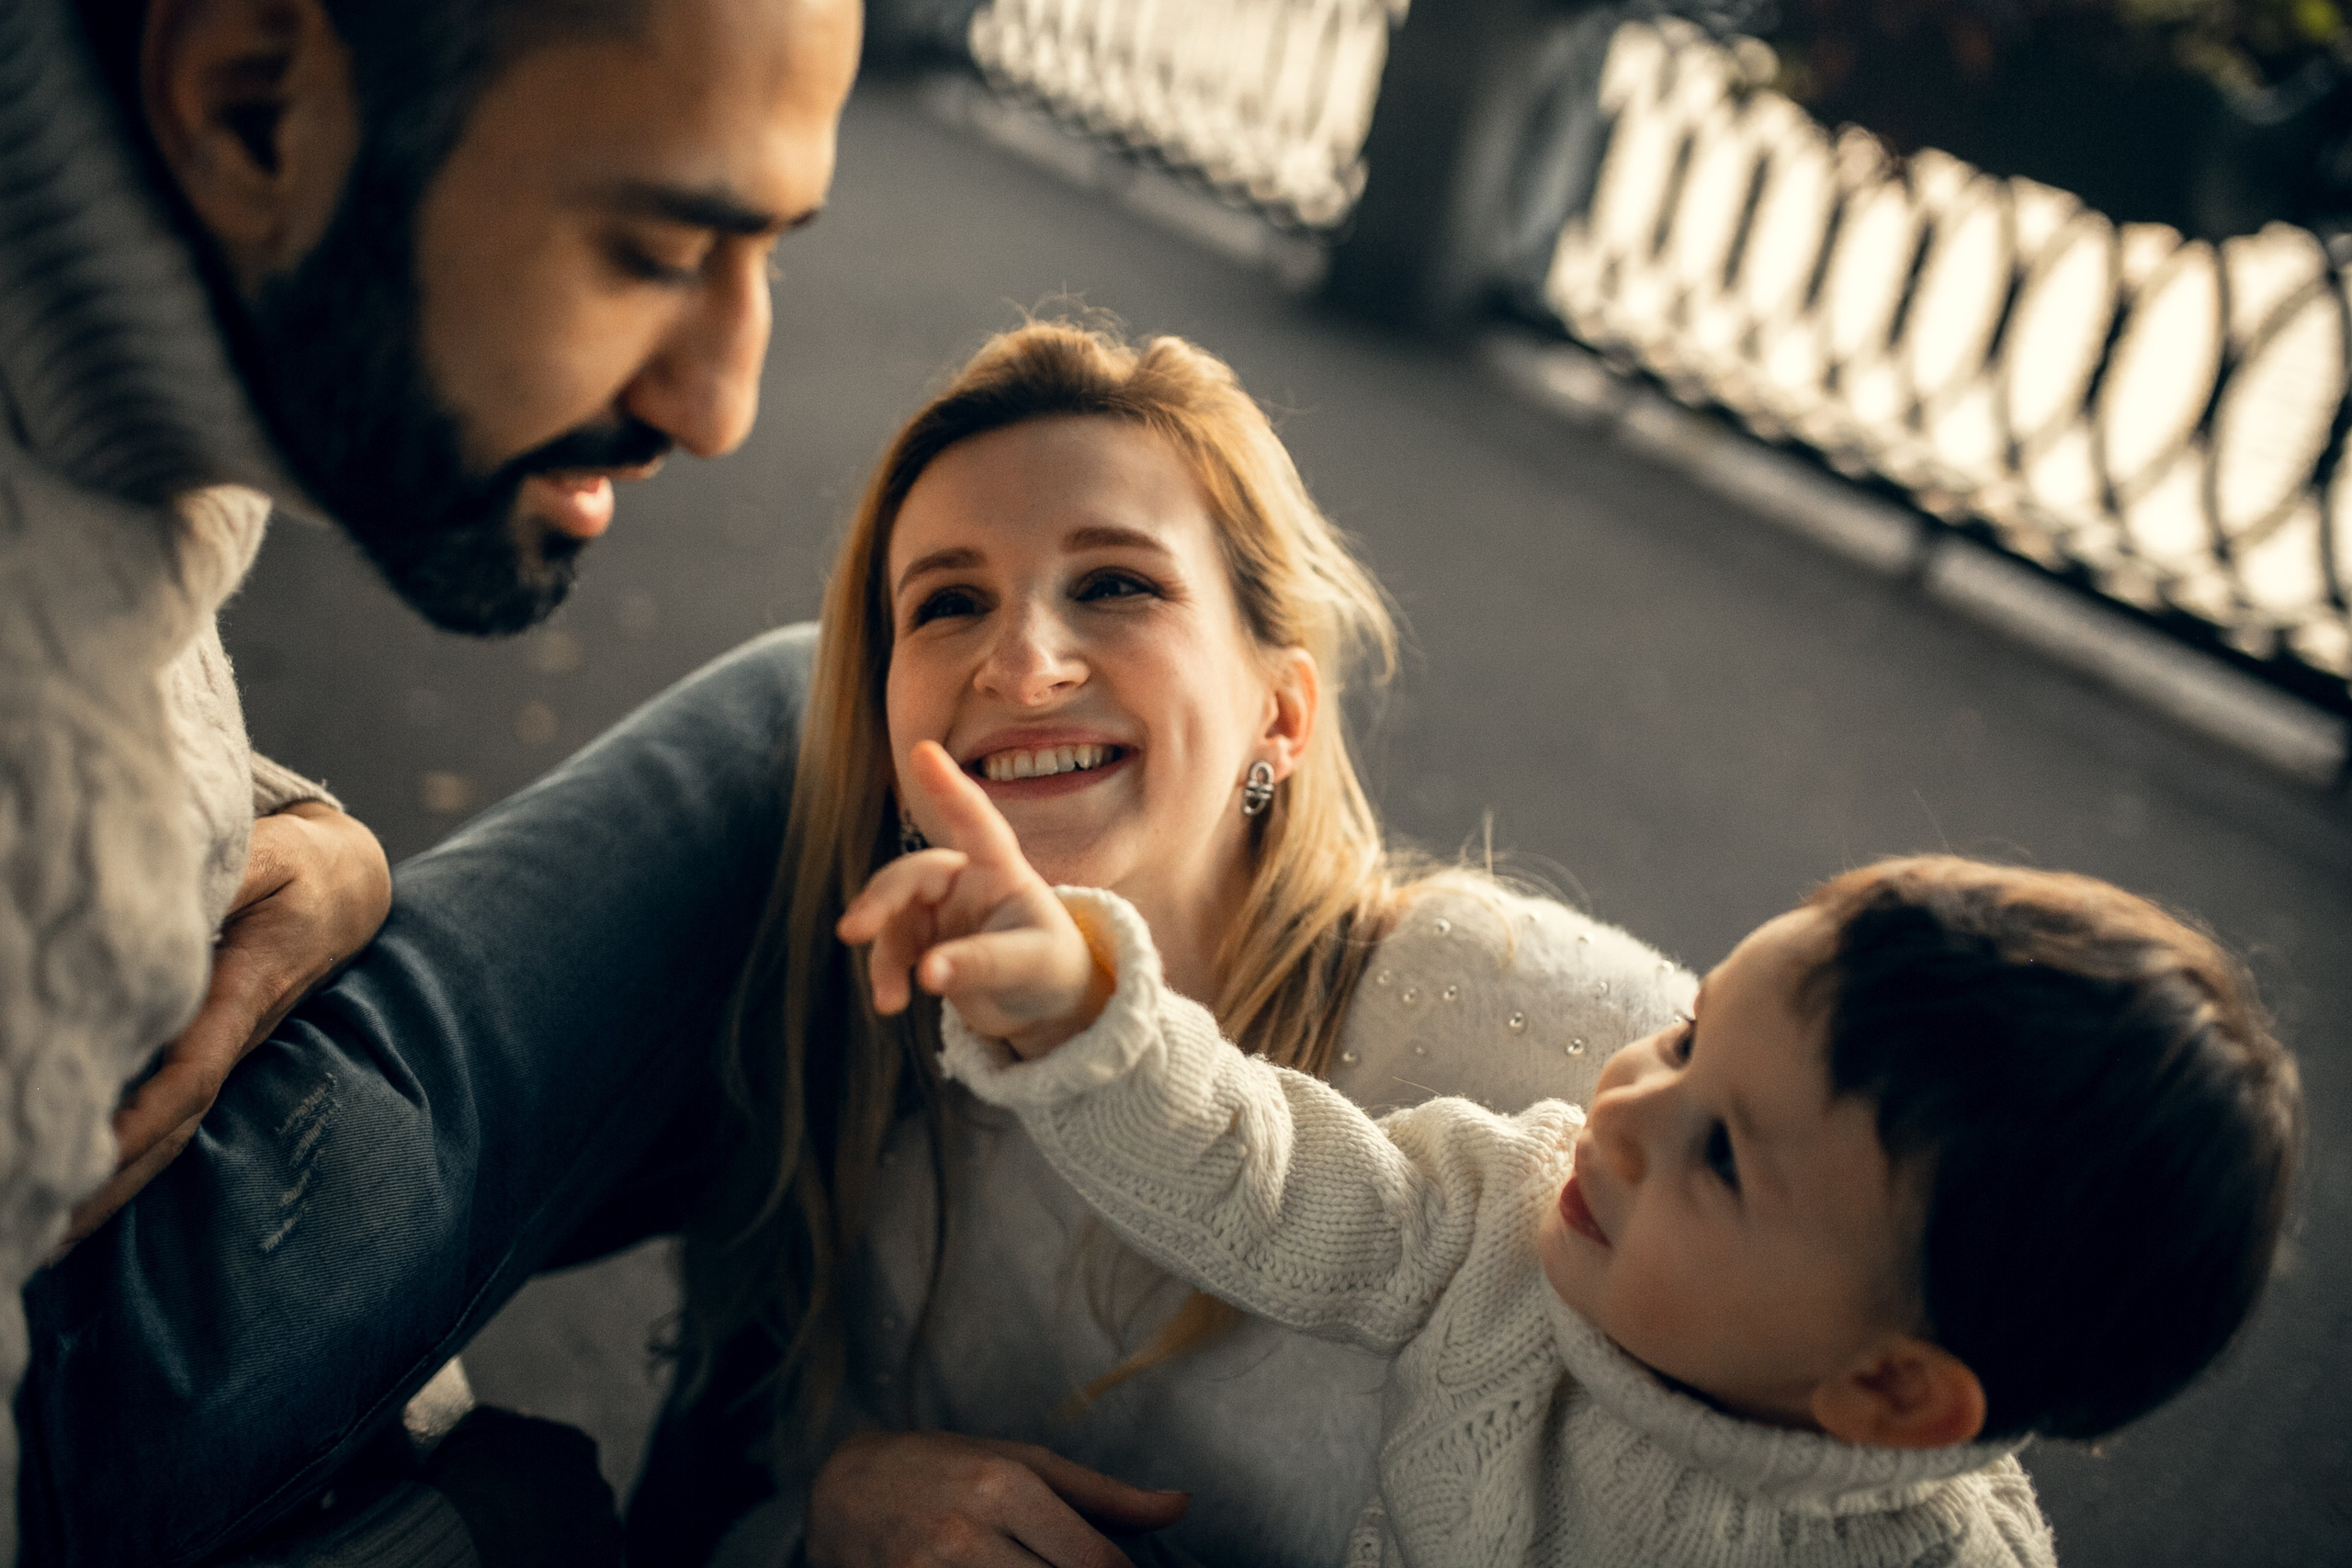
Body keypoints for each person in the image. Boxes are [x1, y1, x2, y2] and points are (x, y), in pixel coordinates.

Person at [5, 0, 858, 1562]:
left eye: (771, 254)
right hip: (80, 1372)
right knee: (833, 744)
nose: (723, 403)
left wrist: (298, 833)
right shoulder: (43, 788)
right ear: (255, 104)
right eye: (655, 252)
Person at [647, 320, 1700, 1568]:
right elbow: (693, 1518)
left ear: (1281, 715)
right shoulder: (859, 1077)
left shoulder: (1546, 1025)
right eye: (949, 603)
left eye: (1115, 584)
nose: (1023, 665)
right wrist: (829, 1517)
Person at [865, 757, 2301, 1565]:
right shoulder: (1508, 1221)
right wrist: (1083, 1009)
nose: (1620, 1111)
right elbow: (1264, 1178)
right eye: (1686, 1037)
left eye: (1721, 1154)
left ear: (1889, 1391)